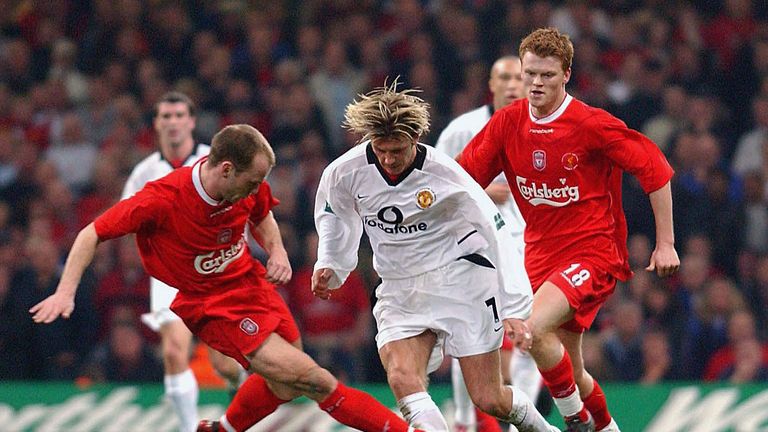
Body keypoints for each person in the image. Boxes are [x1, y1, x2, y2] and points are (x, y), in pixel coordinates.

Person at [30, 124, 424, 432]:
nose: (257, 189)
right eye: (252, 181)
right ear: (225, 169)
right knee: (316, 379)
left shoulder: (245, 184)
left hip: (251, 284)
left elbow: (262, 213)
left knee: (285, 385)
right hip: (211, 304)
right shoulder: (162, 199)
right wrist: (66, 291)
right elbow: (91, 234)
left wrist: (278, 251)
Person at [458, 28, 680, 432]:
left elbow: (655, 169)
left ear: (566, 75)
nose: (536, 83)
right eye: (530, 74)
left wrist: (665, 243)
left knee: (530, 329)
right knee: (571, 372)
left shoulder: (591, 124)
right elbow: (461, 179)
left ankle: (574, 421)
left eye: (547, 75)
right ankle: (607, 427)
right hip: (539, 256)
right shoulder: (508, 124)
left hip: (593, 253)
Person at [312, 80, 558, 432]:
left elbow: (496, 229)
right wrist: (331, 265)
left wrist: (517, 306)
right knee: (401, 377)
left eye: (397, 150)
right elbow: (334, 214)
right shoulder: (344, 172)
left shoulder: (445, 173)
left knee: (489, 398)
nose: (388, 159)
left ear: (414, 139)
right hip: (400, 288)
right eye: (381, 149)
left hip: (461, 280)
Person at [435, 55, 544, 432]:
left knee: (532, 335)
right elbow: (433, 186)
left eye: (521, 77)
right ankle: (464, 423)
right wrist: (480, 190)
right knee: (470, 337)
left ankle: (518, 425)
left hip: (531, 246)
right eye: (506, 77)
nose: (514, 84)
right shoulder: (462, 130)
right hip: (475, 247)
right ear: (491, 84)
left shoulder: (544, 128)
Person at [121, 91, 239, 432]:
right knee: (174, 351)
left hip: (217, 268)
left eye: (178, 116)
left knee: (225, 363)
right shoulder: (144, 173)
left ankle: (239, 389)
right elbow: (125, 220)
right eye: (166, 117)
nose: (172, 122)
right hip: (170, 274)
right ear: (157, 124)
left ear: (191, 121)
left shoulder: (217, 162)